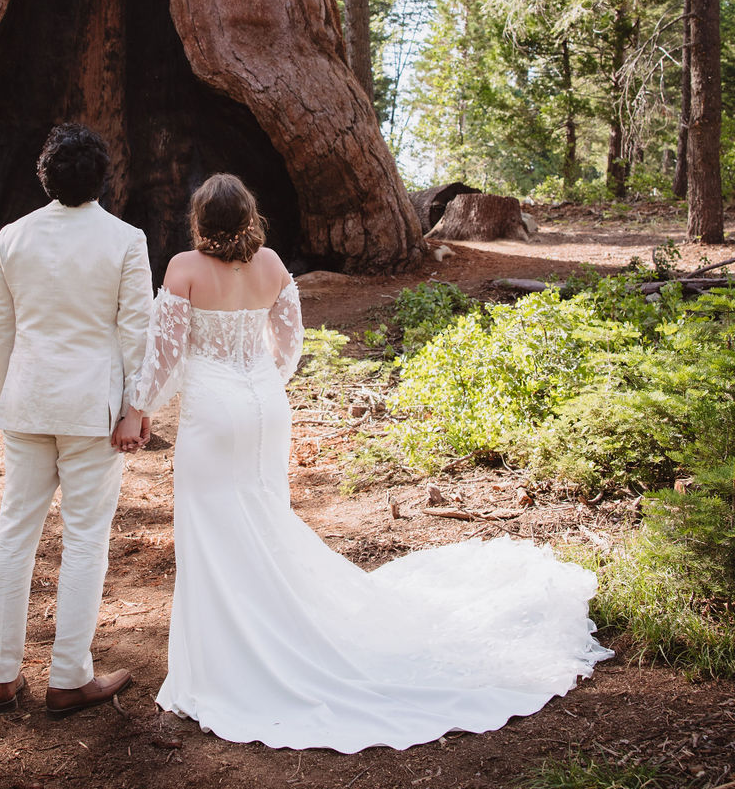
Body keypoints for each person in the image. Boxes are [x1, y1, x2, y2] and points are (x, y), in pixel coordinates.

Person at [136, 172, 611, 753]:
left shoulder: (183, 269)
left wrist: (139, 409)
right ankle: (280, 629)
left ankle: (222, 665)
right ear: (249, 217)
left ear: (201, 222)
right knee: (264, 519)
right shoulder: (272, 266)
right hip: (264, 407)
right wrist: (265, 386)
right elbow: (289, 345)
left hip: (214, 414)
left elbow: (162, 358)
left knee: (215, 531)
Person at [0, 123, 153, 718]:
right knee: (85, 539)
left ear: (45, 176)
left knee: (15, 533)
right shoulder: (126, 241)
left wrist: (8, 397)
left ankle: (2, 675)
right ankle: (68, 677)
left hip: (27, 402)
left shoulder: (12, 237)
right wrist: (137, 409)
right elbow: (138, 331)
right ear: (105, 176)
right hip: (92, 412)